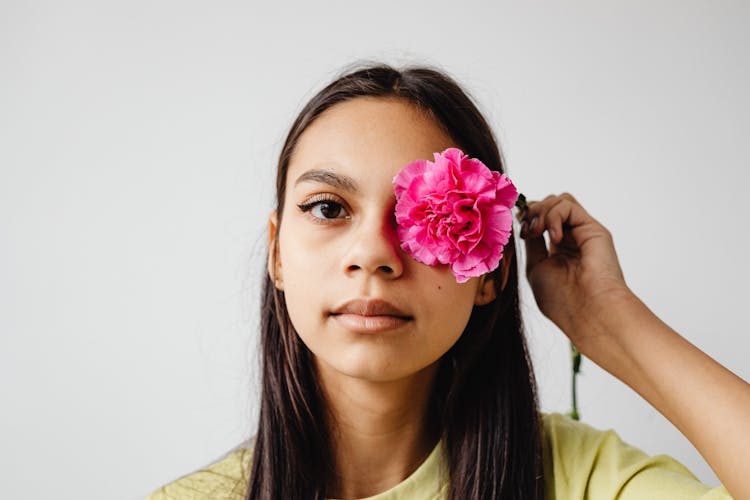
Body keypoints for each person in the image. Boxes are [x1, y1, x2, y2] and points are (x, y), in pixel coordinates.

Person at [149, 63, 747, 499]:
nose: (374, 255)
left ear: (489, 270)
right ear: (277, 252)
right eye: (329, 208)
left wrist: (610, 320)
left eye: (417, 216)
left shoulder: (576, 479)